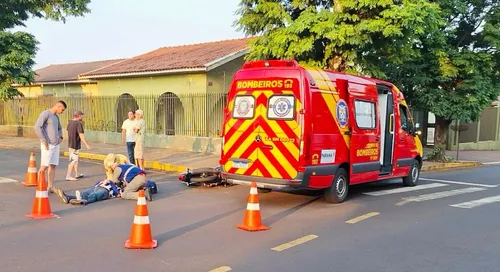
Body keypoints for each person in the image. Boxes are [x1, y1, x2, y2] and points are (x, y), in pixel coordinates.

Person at [34, 100, 67, 193]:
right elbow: (37, 127)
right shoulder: (46, 114)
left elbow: (59, 128)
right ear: (58, 106)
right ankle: (40, 187)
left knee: (52, 166)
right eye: (62, 110)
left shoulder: (56, 117)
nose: (62, 112)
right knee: (44, 166)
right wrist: (43, 140)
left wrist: (60, 136)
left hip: (55, 145)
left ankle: (50, 186)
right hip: (47, 145)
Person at [65, 110, 91, 181]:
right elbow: (81, 136)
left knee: (75, 160)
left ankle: (76, 174)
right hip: (75, 144)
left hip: (70, 143)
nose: (82, 117)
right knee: (73, 160)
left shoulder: (70, 122)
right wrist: (87, 145)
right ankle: (68, 175)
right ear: (79, 116)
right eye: (81, 115)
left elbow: (68, 131)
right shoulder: (78, 124)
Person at [54, 180, 121, 206]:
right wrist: (105, 181)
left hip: (106, 190)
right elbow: (97, 183)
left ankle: (83, 201)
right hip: (97, 187)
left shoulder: (117, 187)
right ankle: (68, 198)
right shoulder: (109, 181)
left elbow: (117, 192)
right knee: (84, 193)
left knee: (94, 195)